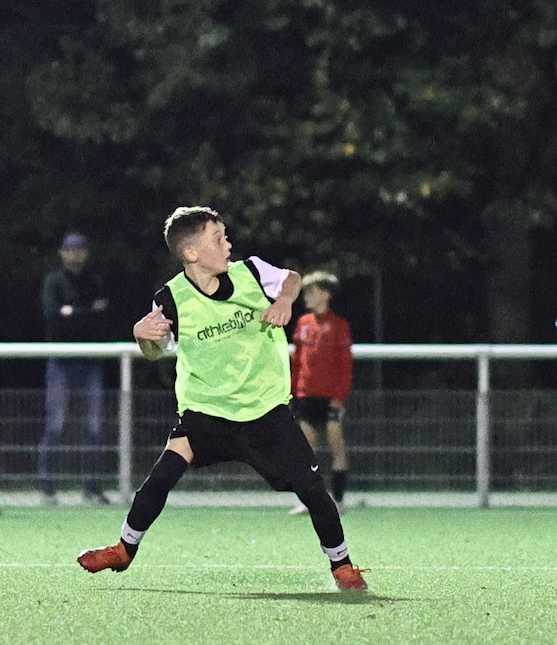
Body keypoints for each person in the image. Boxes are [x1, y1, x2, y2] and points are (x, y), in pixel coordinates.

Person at [76, 206, 368, 590]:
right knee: (160, 478)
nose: (228, 244)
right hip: (206, 411)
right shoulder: (170, 299)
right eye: (218, 239)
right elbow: (155, 351)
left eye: (226, 236)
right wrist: (142, 336)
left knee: (313, 490)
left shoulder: (252, 272)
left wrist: (284, 301)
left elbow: (293, 279)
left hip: (265, 409)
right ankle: (124, 549)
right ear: (191, 253)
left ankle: (342, 566)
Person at [39, 232, 111, 505]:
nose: (75, 254)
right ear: (62, 253)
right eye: (70, 249)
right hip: (61, 360)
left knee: (94, 425)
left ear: (86, 253)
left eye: (80, 249)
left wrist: (72, 311)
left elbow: (102, 318)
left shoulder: (94, 281)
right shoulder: (53, 281)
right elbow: (53, 317)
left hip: (90, 360)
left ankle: (92, 488)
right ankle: (47, 487)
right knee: (55, 424)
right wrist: (86, 311)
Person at [288, 271, 353, 516]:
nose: (306, 296)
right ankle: (310, 501)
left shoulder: (339, 326)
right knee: (305, 451)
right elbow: (297, 361)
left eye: (311, 291)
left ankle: (338, 500)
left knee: (337, 448)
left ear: (325, 295)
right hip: (305, 395)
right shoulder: (303, 323)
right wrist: (292, 391)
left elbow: (345, 365)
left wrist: (339, 397)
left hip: (330, 398)